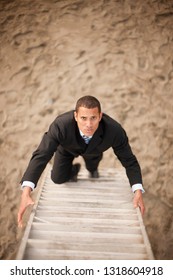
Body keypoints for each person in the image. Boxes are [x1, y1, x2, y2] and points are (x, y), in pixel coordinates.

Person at [18, 95, 145, 228]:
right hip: (66, 150)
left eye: (93, 118)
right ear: (76, 116)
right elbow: (42, 155)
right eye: (83, 118)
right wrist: (26, 191)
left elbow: (129, 160)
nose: (89, 124)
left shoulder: (114, 130)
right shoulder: (60, 125)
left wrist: (137, 191)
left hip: (94, 151)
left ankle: (92, 168)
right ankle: (74, 169)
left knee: (92, 170)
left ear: (100, 116)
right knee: (57, 178)